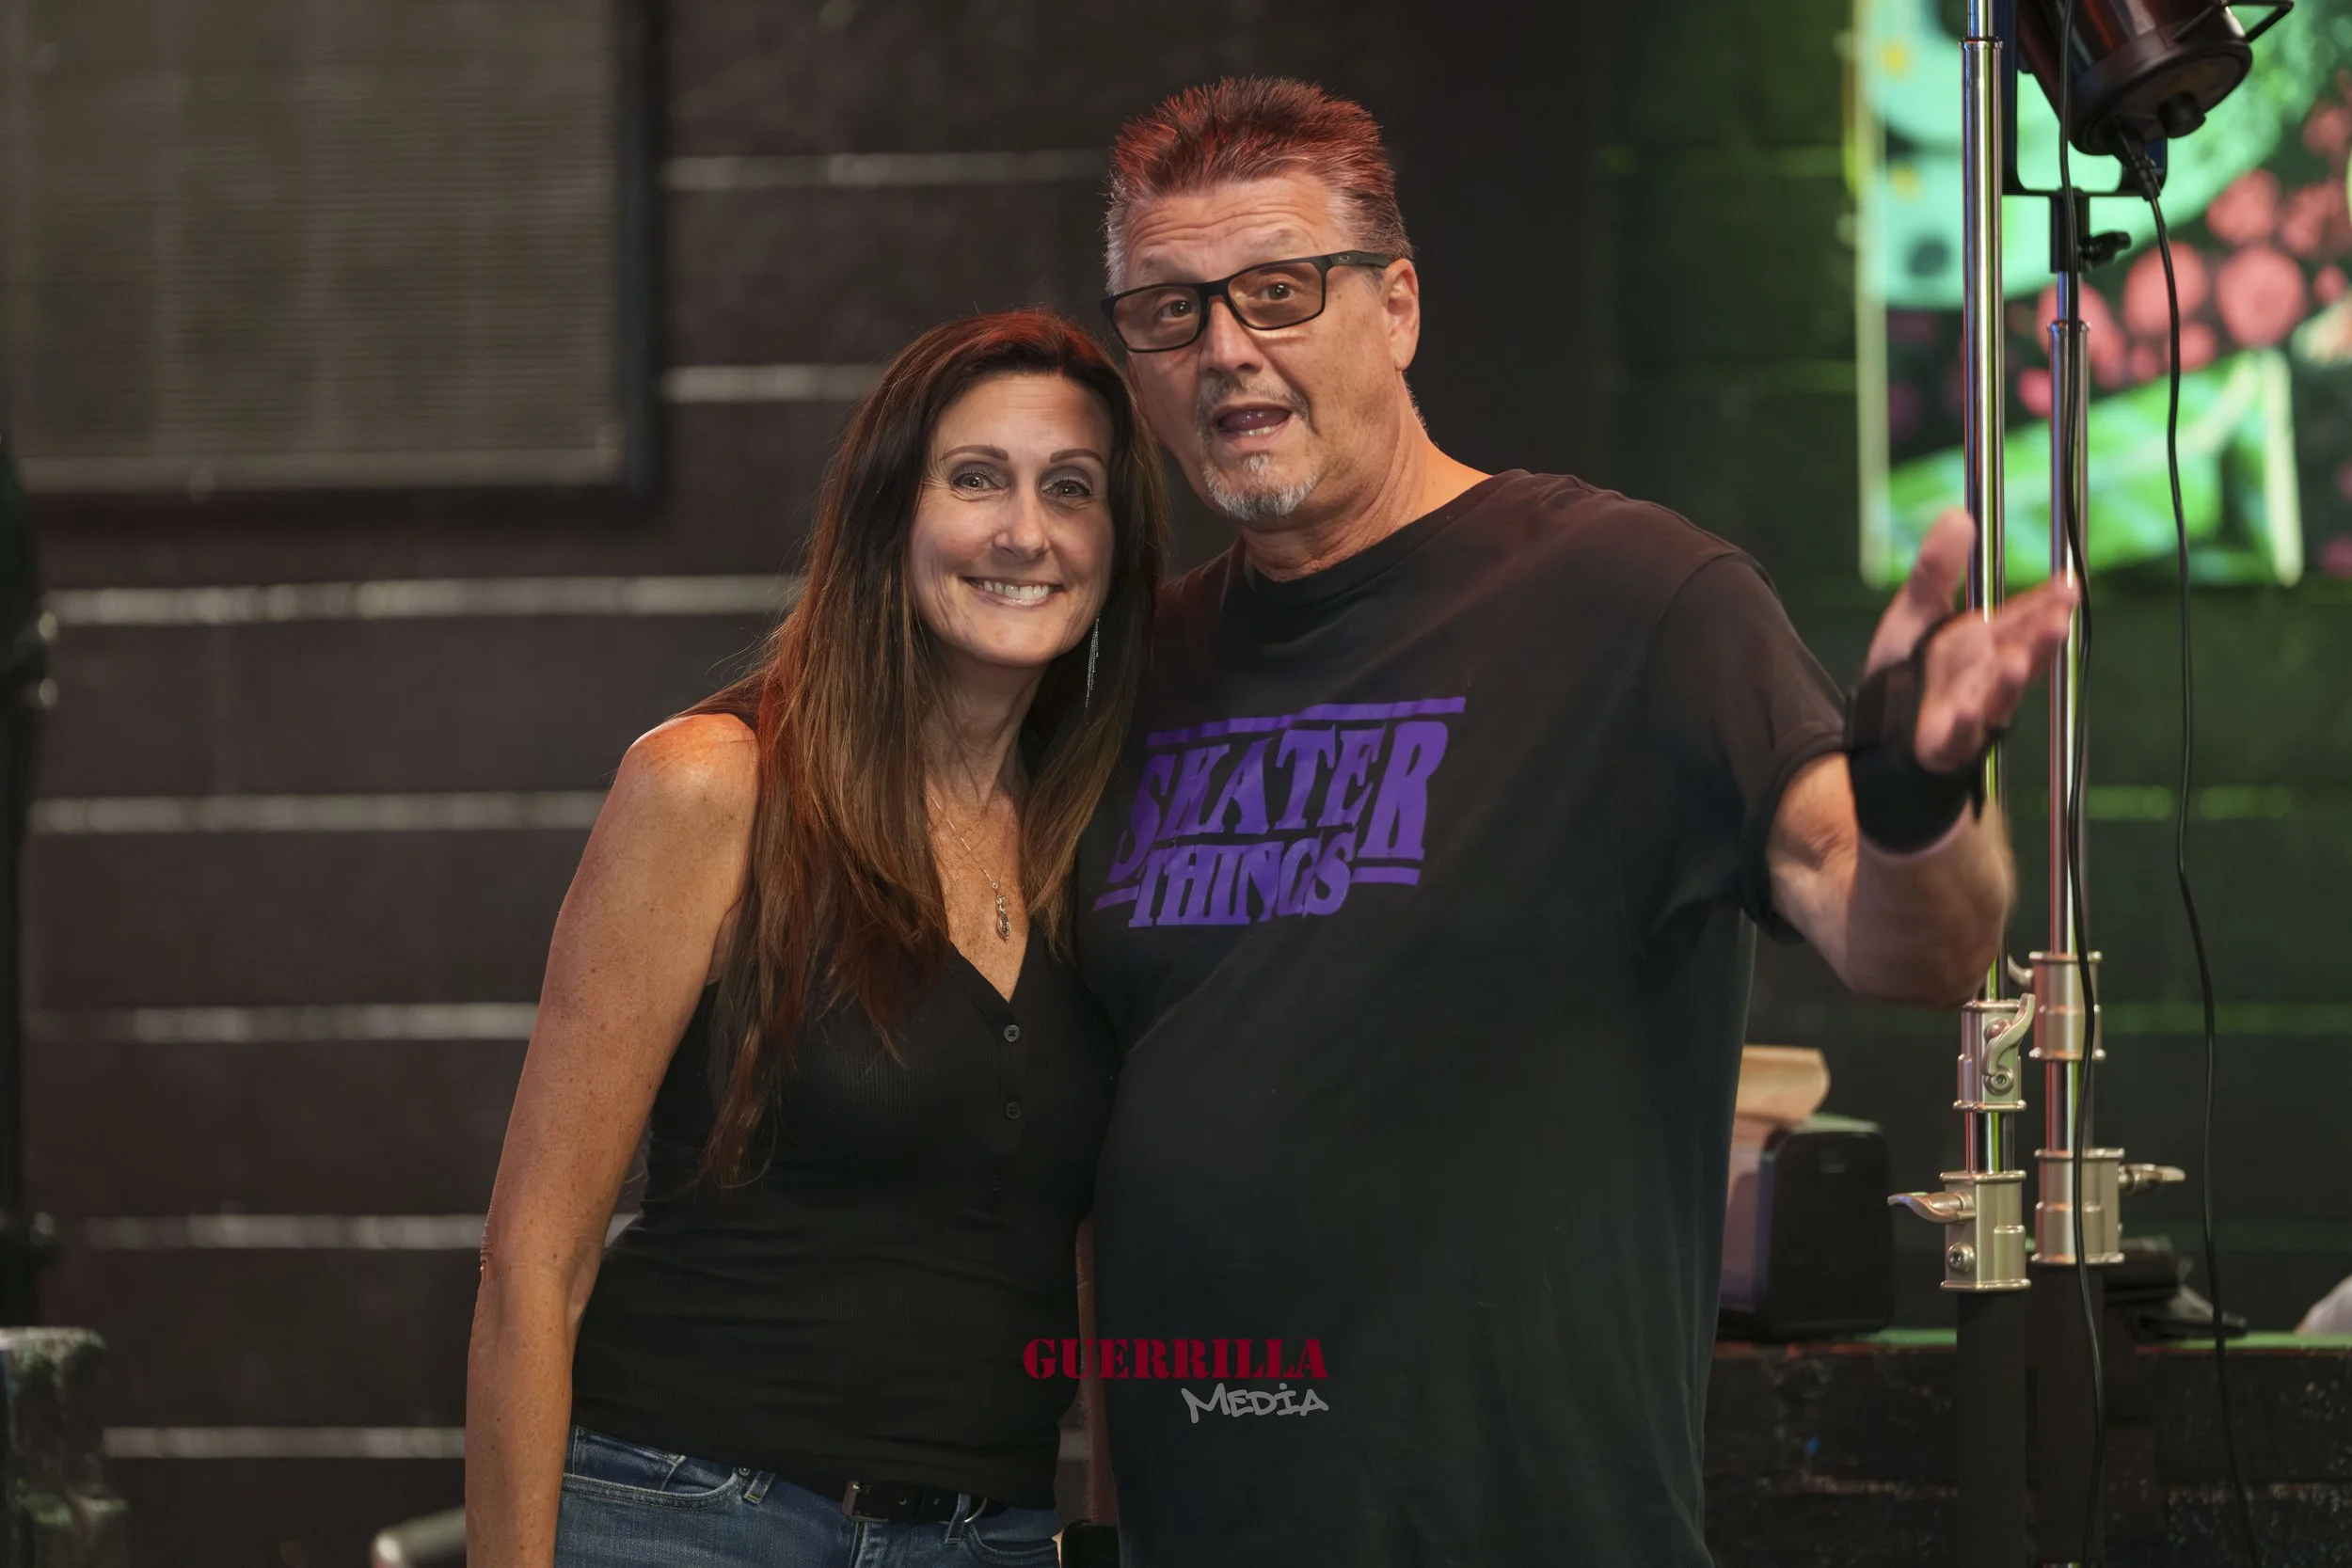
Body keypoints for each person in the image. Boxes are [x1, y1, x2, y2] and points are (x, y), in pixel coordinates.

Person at [1069, 79, 2077, 1564]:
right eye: (1170, 311)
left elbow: (1904, 940)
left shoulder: (1631, 598)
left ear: (1397, 305)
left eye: (1280, 291)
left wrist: (1919, 797)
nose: (1227, 348)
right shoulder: (1130, 673)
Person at [464, 309, 1168, 1568]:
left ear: (1117, 542)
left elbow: (1110, 1262)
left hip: (989, 1536)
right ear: (887, 513)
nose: (1027, 531)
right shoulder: (713, 786)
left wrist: (1104, 1536)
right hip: (687, 1513)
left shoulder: (1100, 847)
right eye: (976, 479)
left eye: (1072, 488)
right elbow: (534, 1256)